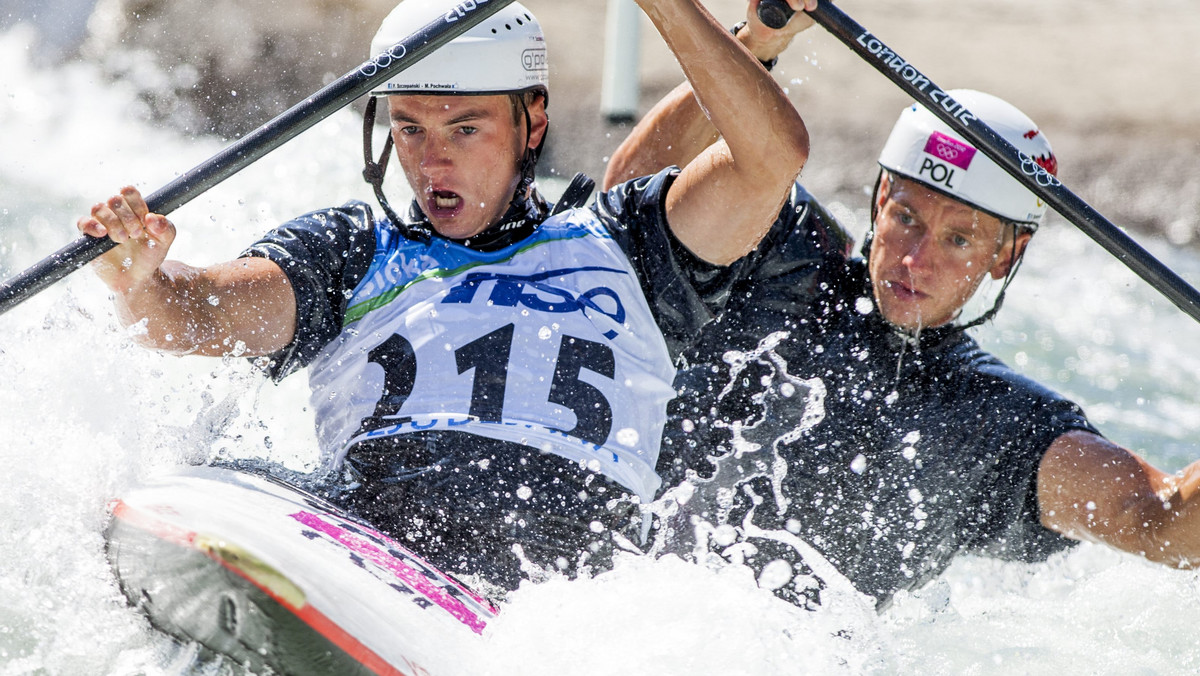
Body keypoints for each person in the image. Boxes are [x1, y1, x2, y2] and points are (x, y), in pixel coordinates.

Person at [77, 0, 814, 591]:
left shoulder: (632, 248)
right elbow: (191, 315)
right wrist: (141, 278)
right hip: (375, 562)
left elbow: (771, 155)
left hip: (564, 601)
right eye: (410, 127)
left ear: (534, 121)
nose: (434, 158)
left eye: (465, 127)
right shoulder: (352, 252)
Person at [606, 2, 1200, 610]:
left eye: (958, 239)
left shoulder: (997, 425)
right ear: (882, 196)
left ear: (1006, 254)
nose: (915, 261)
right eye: (907, 219)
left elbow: (1159, 522)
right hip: (620, 606)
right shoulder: (781, 250)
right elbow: (625, 208)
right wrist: (755, 42)